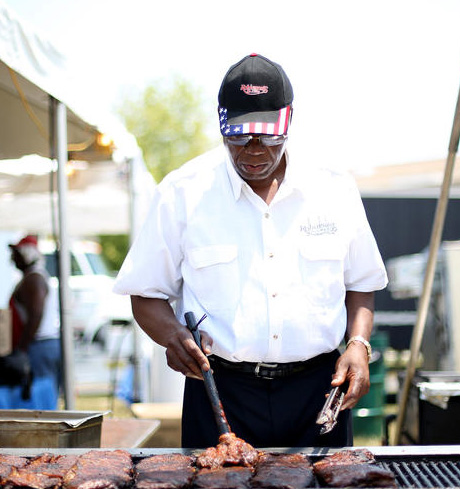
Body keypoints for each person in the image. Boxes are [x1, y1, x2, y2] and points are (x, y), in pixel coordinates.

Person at [114, 53, 388, 448]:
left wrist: (358, 344)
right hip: (220, 393)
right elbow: (145, 294)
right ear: (222, 125)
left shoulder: (333, 189)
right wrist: (173, 336)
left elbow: (361, 284)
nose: (254, 148)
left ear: (288, 122)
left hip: (318, 390)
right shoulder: (183, 192)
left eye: (267, 134)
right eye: (240, 135)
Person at [0, 235, 61, 409]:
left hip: (40, 345)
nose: (12, 260)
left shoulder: (34, 279)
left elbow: (36, 314)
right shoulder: (33, 277)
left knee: (40, 396)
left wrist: (22, 348)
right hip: (41, 345)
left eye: (16, 254)